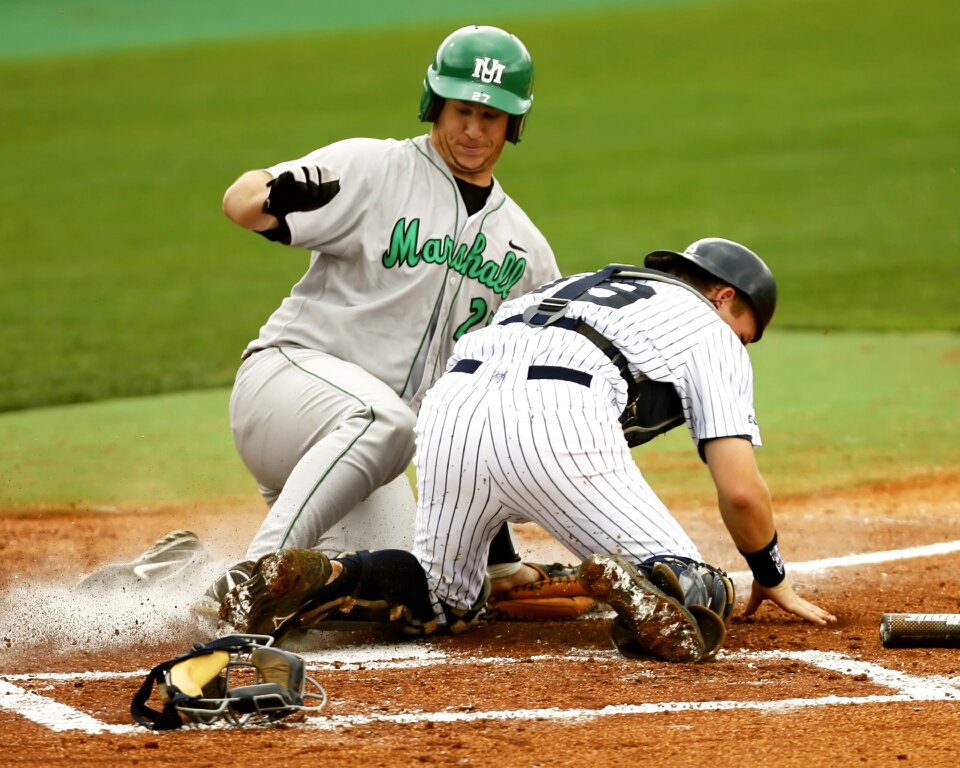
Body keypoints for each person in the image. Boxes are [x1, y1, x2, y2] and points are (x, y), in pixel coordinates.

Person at [74, 25, 563, 608]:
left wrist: (499, 559)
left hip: (366, 456)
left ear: (516, 123)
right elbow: (242, 202)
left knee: (407, 588)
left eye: (492, 117)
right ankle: (252, 581)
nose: (474, 130)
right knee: (386, 420)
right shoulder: (373, 168)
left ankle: (180, 572)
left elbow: (493, 407)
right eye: (462, 111)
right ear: (435, 103)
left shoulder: (526, 252)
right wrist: (269, 193)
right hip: (286, 390)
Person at [218, 237, 837, 662]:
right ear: (727, 297)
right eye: (747, 333)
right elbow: (740, 489)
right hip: (560, 418)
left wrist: (502, 546)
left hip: (450, 409)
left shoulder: (577, 285)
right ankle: (633, 570)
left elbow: (498, 419)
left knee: (443, 596)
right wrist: (768, 574)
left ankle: (323, 574)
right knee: (700, 584)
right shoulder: (710, 329)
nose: (742, 344)